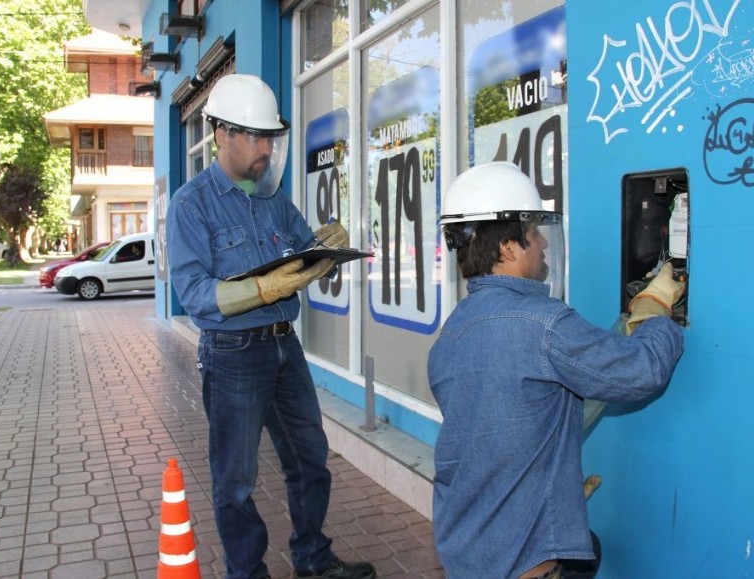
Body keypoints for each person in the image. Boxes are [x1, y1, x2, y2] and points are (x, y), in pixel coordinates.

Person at [427, 162, 685, 579]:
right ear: (509, 248)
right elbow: (644, 369)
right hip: (526, 565)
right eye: (534, 233)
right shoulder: (544, 325)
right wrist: (657, 315)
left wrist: (551, 492)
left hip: (467, 550)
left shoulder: (452, 333)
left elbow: (507, 420)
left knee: (589, 549)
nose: (544, 242)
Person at [166, 74, 376, 579]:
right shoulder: (190, 206)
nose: (265, 149)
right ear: (221, 135)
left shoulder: (275, 198)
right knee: (235, 481)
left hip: (286, 347)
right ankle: (247, 573)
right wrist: (263, 290)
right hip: (233, 352)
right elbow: (193, 294)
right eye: (255, 137)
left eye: (270, 138)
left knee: (311, 459)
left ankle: (313, 558)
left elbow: (303, 254)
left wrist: (326, 248)